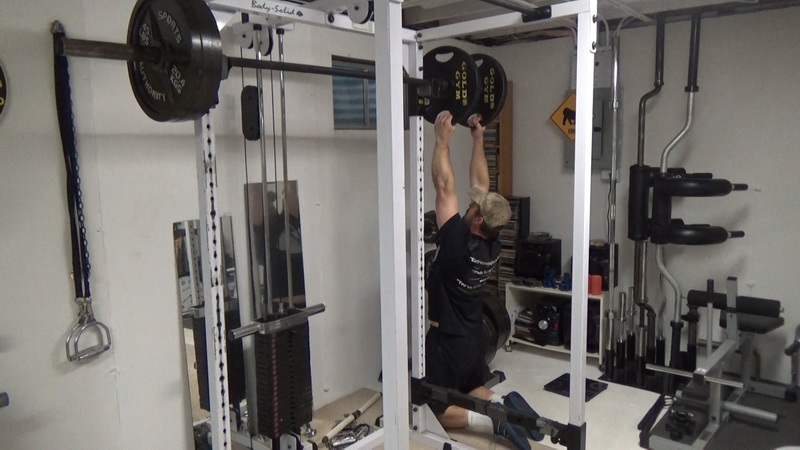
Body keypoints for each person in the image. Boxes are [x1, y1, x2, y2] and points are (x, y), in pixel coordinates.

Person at [425, 111, 543, 450]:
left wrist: (441, 141)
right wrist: (478, 139)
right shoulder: (491, 243)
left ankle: (493, 419)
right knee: (471, 387)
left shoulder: (456, 245)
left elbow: (444, 186)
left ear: (477, 218)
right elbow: (482, 186)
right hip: (475, 336)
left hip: (447, 340)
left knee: (433, 406)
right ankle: (505, 404)